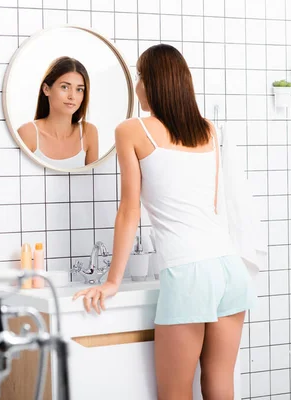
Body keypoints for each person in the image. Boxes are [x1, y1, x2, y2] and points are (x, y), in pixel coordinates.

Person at [73, 44, 258, 400]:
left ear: (154, 82)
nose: (137, 84)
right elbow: (214, 203)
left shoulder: (131, 130)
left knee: (174, 393)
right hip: (229, 268)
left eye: (140, 75)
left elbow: (129, 211)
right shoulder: (208, 131)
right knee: (220, 386)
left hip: (188, 272)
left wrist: (113, 281)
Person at [18, 56, 99, 169]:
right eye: (65, 87)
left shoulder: (88, 132)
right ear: (46, 89)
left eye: (79, 89)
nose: (72, 96)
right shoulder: (28, 133)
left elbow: (93, 181)